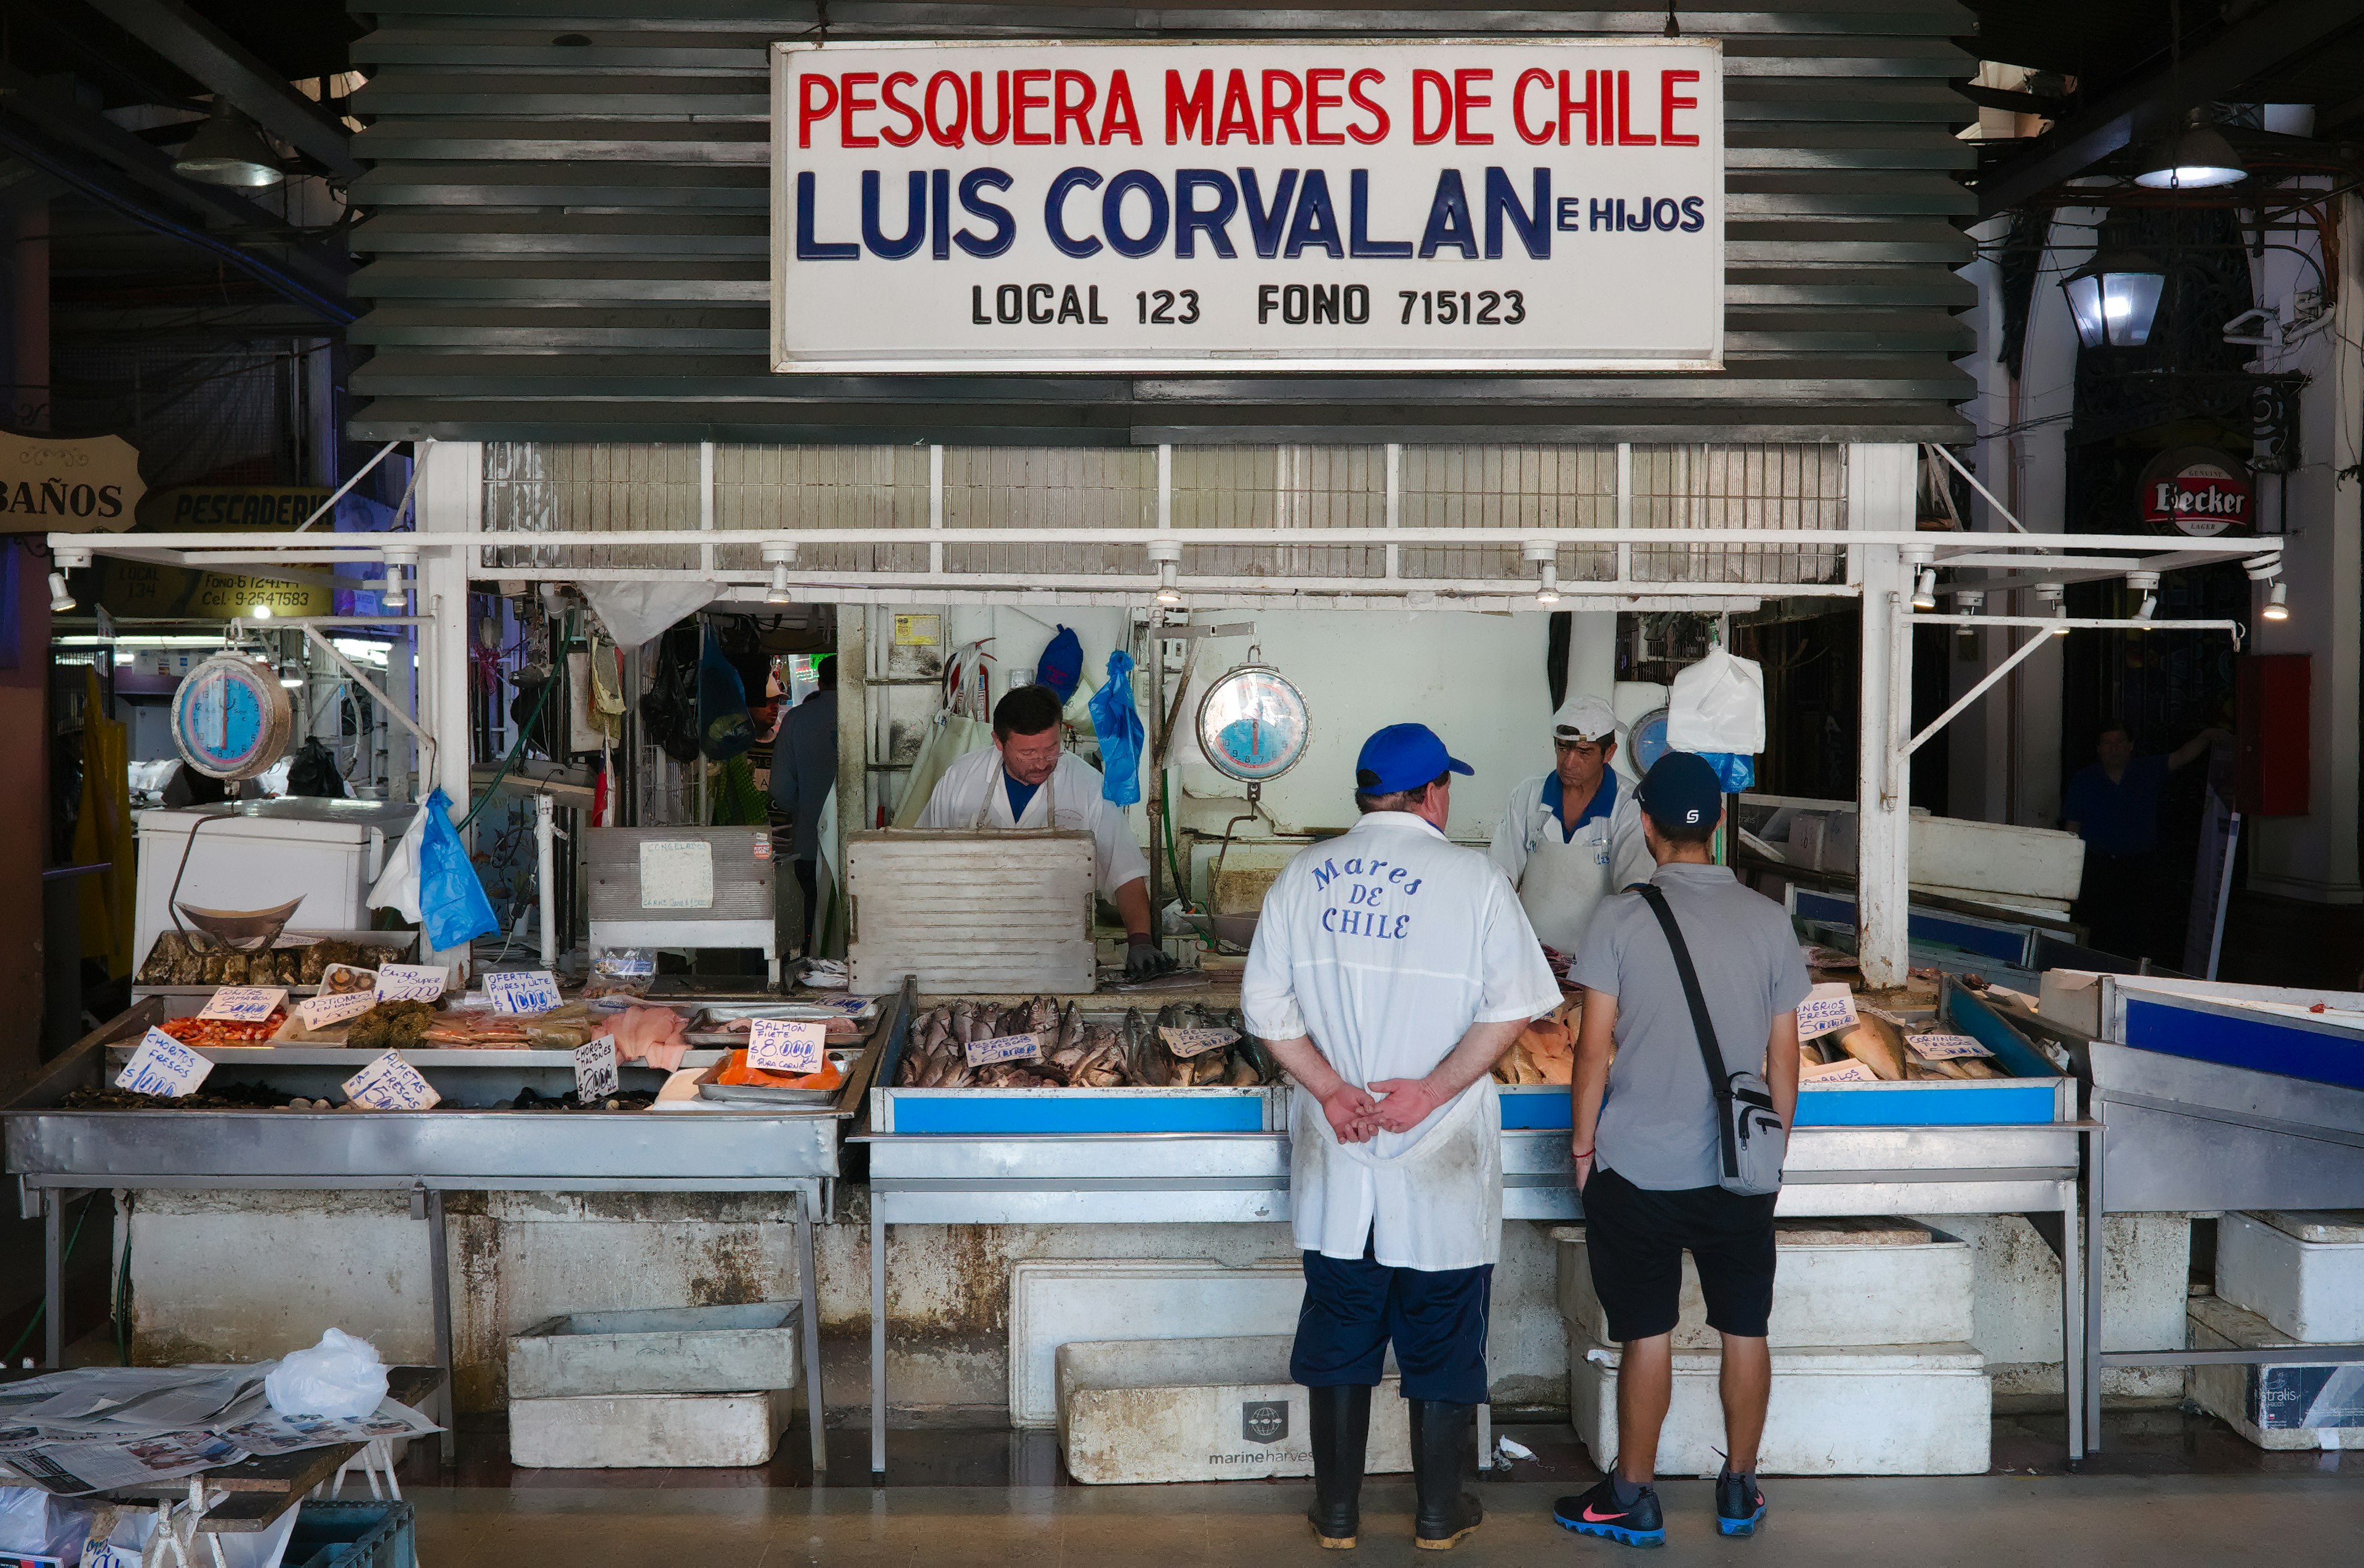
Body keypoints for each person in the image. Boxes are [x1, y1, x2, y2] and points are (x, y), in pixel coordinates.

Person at [1242, 723, 1559, 1553]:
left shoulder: (1303, 876)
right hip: (1440, 1153)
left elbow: (1267, 1014)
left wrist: (1332, 1087)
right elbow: (1515, 1007)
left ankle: (1338, 1513)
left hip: (1340, 1143)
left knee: (1342, 1323)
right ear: (1431, 794)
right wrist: (1432, 1090)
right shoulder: (1473, 879)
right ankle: (1436, 1511)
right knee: (1443, 1328)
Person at [1554, 751, 1806, 1548]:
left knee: (1648, 1332)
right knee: (1744, 1326)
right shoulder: (1769, 920)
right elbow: (1785, 1059)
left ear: (1648, 828)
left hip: (1638, 1166)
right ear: (1721, 825)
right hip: (1740, 1168)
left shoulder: (1620, 919)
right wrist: (1773, 1153)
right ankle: (1738, 1484)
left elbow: (1592, 1050)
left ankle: (1634, 1493)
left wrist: (1585, 1147)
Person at [915, 683, 1170, 979]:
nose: (1041, 762)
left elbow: (1124, 870)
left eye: (1051, 749)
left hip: (1059, 950)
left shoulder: (1087, 785)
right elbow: (923, 860)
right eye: (1027, 752)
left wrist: (1140, 941)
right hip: (968, 946)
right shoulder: (961, 778)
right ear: (998, 742)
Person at [1487, 694, 1654, 955]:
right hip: (1531, 955)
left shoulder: (1629, 804)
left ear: (1608, 753)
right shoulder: (1528, 795)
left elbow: (1634, 892)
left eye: (1584, 752)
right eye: (1563, 748)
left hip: (1598, 959)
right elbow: (1500, 878)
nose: (1569, 763)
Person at [2062, 722, 2227, 959]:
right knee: (2099, 931)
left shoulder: (2146, 771)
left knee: (2138, 931)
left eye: (2119, 742)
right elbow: (2072, 829)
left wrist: (2206, 736)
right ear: (2098, 749)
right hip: (2097, 868)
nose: (2114, 748)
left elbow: (2181, 756)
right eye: (2107, 744)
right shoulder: (2085, 779)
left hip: (2140, 868)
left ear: (2130, 746)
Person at [768, 657, 838, 956]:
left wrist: (807, 808)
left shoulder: (796, 720)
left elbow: (781, 792)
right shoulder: (872, 713)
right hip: (865, 850)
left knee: (813, 925)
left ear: (820, 683)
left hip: (810, 847)